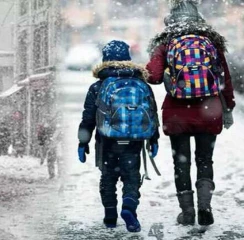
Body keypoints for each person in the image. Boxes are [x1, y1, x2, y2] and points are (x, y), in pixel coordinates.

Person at [146, 0, 235, 226]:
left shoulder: (166, 43)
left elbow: (153, 77)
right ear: (198, 18)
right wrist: (228, 107)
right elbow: (225, 78)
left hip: (178, 113)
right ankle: (205, 206)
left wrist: (164, 72)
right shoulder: (211, 42)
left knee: (181, 162)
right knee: (205, 159)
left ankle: (187, 213)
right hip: (209, 110)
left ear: (171, 19)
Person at [78, 40, 160, 232]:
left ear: (105, 59)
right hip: (133, 141)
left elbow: (88, 117)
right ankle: (129, 207)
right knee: (131, 177)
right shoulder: (141, 83)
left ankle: (110, 215)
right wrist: (154, 139)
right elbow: (152, 114)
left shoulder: (98, 86)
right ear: (128, 58)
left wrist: (83, 142)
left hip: (107, 141)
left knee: (108, 178)